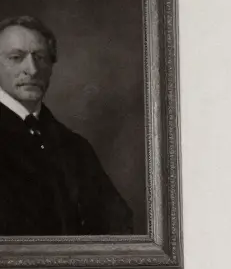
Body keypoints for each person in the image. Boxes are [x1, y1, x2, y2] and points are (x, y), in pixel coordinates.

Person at [0, 15, 134, 236]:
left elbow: (118, 225)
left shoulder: (75, 147)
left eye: (41, 57)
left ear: (52, 66)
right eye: (16, 57)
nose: (32, 69)